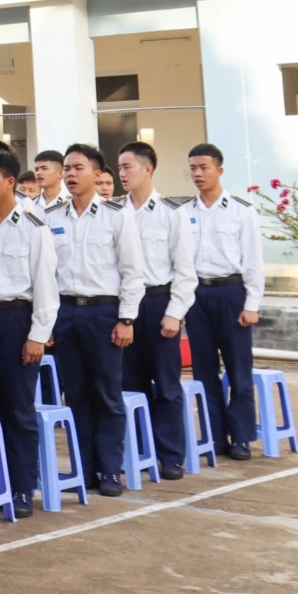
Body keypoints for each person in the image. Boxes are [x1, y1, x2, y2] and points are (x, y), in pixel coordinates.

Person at [48, 142, 143, 496]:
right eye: (67, 169)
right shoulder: (52, 217)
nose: (71, 174)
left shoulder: (117, 215)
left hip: (104, 312)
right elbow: (45, 274)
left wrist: (127, 319)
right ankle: (83, 470)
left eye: (78, 168)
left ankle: (109, 470)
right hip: (66, 312)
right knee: (76, 394)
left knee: (106, 393)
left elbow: (132, 272)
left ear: (98, 174)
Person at [0, 149, 56, 520]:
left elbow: (46, 289)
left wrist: (38, 335)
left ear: (9, 182)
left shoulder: (34, 226)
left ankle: (22, 487)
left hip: (17, 322)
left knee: (18, 410)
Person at [116, 140, 195, 479]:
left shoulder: (171, 213)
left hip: (159, 303)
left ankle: (171, 455)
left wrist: (175, 312)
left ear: (147, 169)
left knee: (165, 385)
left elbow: (185, 271)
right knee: (129, 382)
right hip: (125, 306)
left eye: (127, 167)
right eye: (118, 168)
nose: (121, 174)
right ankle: (138, 451)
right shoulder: (114, 211)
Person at [181, 142, 264, 460]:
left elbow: (254, 261)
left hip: (232, 293)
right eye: (192, 168)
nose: (197, 174)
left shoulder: (243, 211)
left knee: (239, 370)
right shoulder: (184, 212)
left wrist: (252, 303)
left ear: (219, 170)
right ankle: (214, 436)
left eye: (203, 167)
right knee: (204, 370)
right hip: (197, 295)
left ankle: (241, 436)